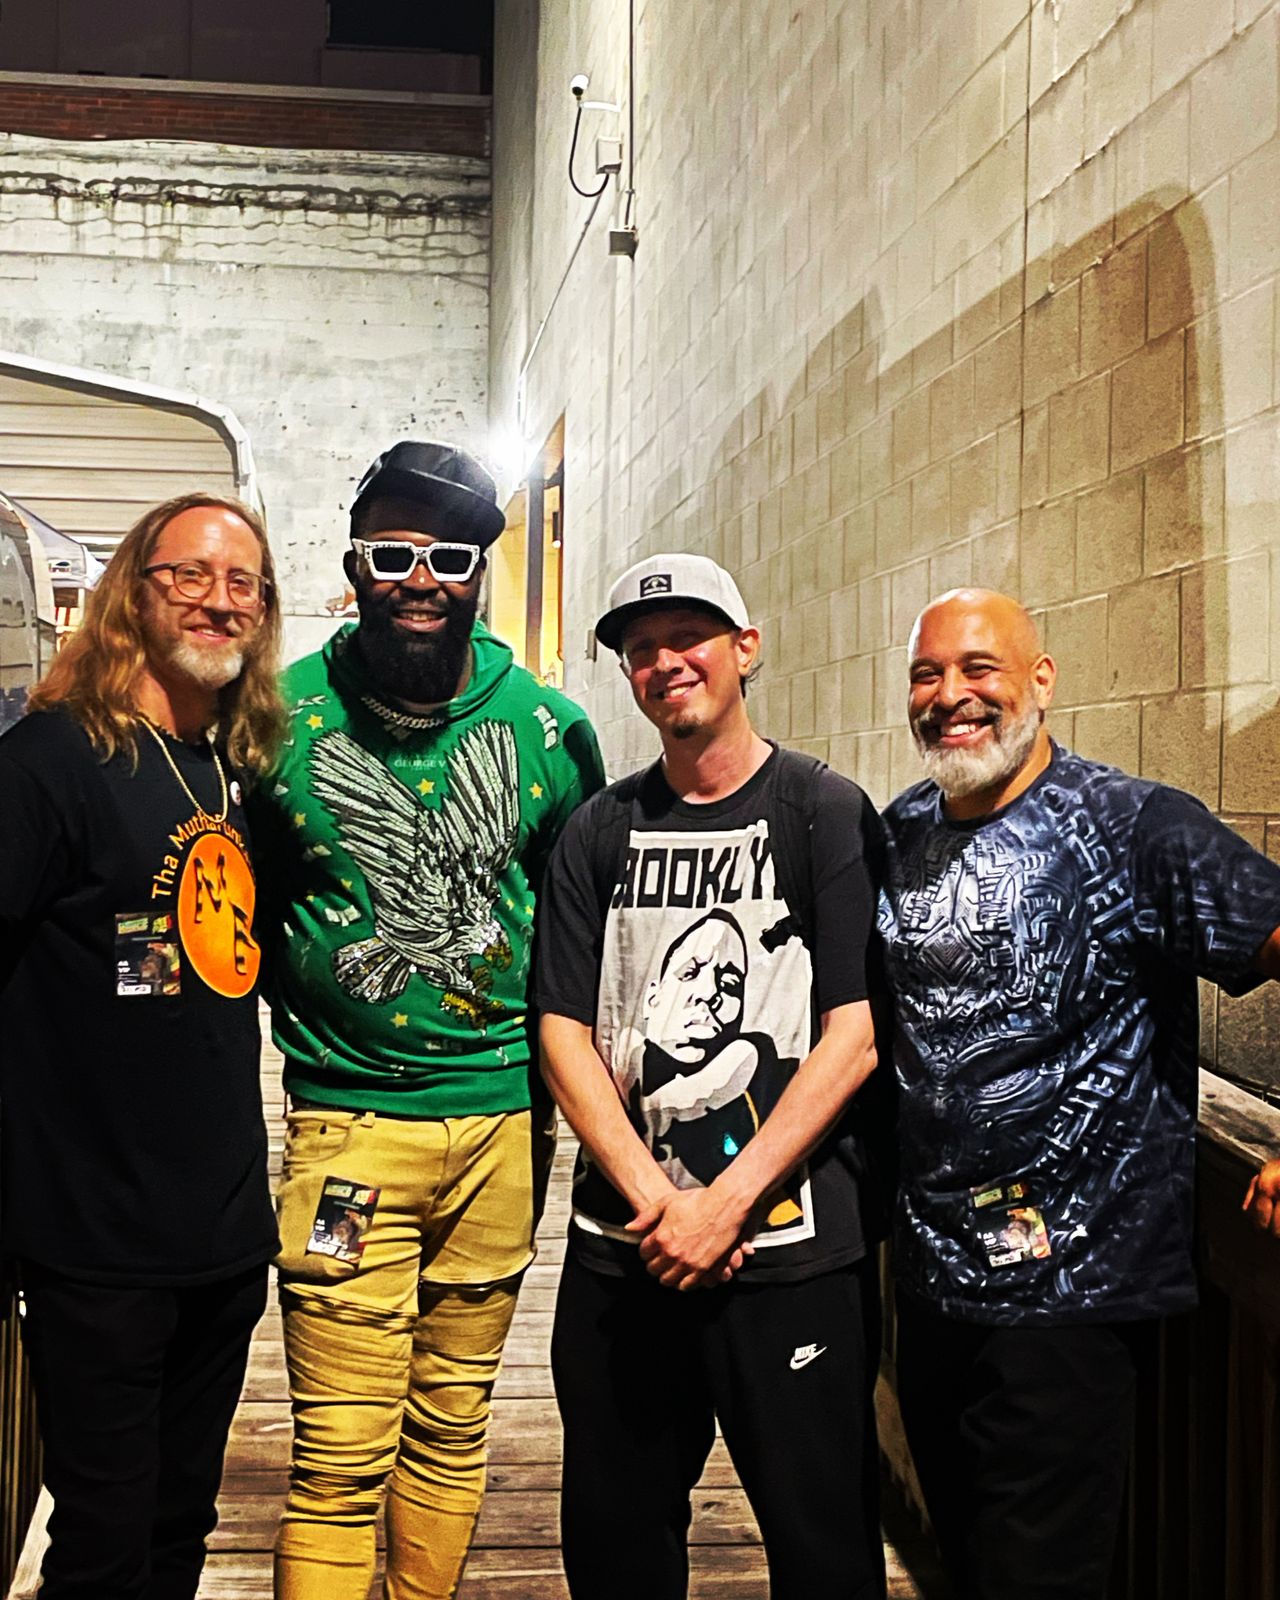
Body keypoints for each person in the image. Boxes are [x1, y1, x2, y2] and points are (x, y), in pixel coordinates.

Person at [250, 440, 603, 1600]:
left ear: (479, 573)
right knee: (338, 1456)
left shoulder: (548, 728)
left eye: (449, 556)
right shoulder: (277, 720)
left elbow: (577, 919)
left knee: (453, 1428)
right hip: (346, 1126)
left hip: (502, 1127)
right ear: (353, 561)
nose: (420, 578)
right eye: (393, 552)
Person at [877, 586, 1280, 1600]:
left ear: (1041, 680)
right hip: (931, 1286)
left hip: (1071, 1298)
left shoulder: (1138, 826)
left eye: (979, 668)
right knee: (964, 1566)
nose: (951, 695)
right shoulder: (900, 831)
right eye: (927, 674)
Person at [535, 553, 891, 1600]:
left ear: (745, 648)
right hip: (626, 1248)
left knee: (823, 1544)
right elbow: (561, 1031)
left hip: (790, 1252)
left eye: (688, 637)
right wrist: (661, 1205)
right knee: (616, 1541)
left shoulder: (821, 810)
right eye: (642, 649)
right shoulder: (600, 829)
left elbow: (854, 1033)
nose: (665, 662)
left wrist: (725, 1204)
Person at [0, 492, 284, 1600]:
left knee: (179, 1527)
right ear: (134, 589)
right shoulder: (49, 762)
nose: (218, 600)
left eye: (242, 582)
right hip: (94, 1240)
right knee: (103, 1543)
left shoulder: (225, 765)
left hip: (220, 1235)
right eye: (189, 575)